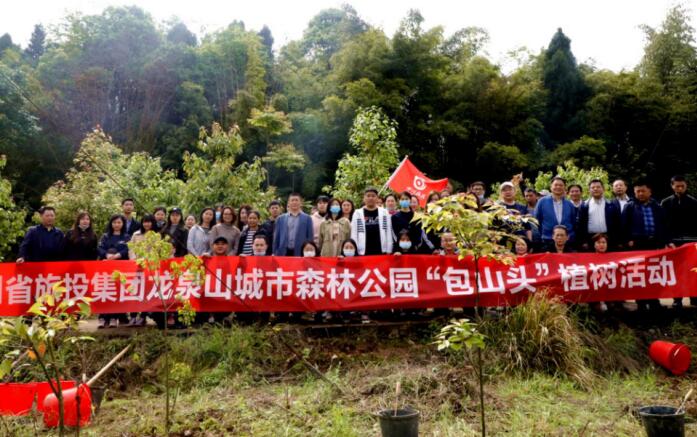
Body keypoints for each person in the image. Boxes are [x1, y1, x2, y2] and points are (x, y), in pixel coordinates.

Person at [622, 180, 672, 311]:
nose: (640, 194)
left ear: (649, 191)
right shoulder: (629, 206)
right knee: (640, 274)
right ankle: (641, 302)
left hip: (655, 244)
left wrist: (666, 241)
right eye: (637, 191)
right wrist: (628, 240)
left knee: (654, 273)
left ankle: (654, 300)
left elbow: (665, 225)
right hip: (638, 244)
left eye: (643, 191)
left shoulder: (657, 207)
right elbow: (623, 226)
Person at [661, 175, 697, 308]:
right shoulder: (665, 203)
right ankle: (677, 299)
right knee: (676, 271)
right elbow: (662, 225)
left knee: (693, 271)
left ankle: (694, 297)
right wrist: (667, 240)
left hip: (692, 242)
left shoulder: (694, 202)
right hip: (673, 242)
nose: (680, 188)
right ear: (672, 186)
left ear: (686, 185)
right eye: (677, 186)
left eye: (682, 186)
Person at [97, 214, 130, 328]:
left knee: (116, 291)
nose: (117, 225)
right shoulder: (105, 236)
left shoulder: (126, 237)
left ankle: (114, 317)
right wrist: (106, 255)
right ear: (111, 224)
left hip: (120, 268)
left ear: (123, 224)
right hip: (105, 268)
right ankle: (102, 317)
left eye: (119, 222)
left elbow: (127, 249)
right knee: (105, 290)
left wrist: (117, 255)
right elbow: (100, 248)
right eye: (114, 222)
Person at [576, 179, 621, 251]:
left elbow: (617, 223)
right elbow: (580, 225)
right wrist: (583, 241)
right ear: (589, 190)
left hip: (608, 239)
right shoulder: (584, 205)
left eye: (598, 187)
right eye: (593, 187)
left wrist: (617, 240)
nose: (595, 189)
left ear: (603, 189)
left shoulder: (611, 204)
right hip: (590, 239)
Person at [534, 176, 577, 251]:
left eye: (561, 185)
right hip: (548, 239)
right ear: (551, 187)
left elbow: (573, 221)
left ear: (564, 188)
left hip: (566, 241)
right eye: (556, 185)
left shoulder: (569, 204)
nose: (558, 187)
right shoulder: (542, 202)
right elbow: (537, 221)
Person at [351, 187, 394, 256]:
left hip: (381, 251)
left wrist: (389, 250)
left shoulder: (384, 212)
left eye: (373, 196)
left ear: (377, 198)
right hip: (362, 252)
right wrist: (354, 251)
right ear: (364, 198)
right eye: (368, 196)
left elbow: (388, 232)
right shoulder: (357, 213)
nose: (370, 198)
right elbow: (354, 234)